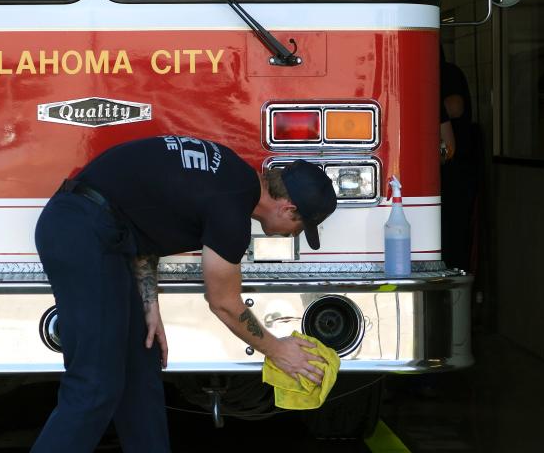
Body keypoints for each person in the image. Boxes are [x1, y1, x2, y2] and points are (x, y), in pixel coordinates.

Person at [31, 135, 338, 453]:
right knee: (95, 385)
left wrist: (149, 306)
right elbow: (224, 303)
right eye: (300, 228)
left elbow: (140, 219)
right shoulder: (232, 207)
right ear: (289, 210)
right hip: (81, 231)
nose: (293, 234)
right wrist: (278, 350)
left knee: (140, 370)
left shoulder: (230, 174)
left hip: (98, 230)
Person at [440, 48, 476, 272]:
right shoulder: (447, 73)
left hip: (456, 171)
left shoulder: (445, 73)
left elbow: (456, 107)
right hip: (452, 168)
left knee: (454, 235)